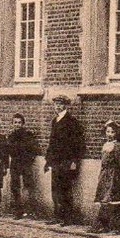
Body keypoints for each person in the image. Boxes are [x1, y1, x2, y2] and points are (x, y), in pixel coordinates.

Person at [44, 95, 85, 225]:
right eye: (56, 104)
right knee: (55, 189)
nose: (58, 106)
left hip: (66, 161)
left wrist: (74, 161)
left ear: (65, 105)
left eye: (60, 104)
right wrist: (48, 161)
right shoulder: (54, 121)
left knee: (65, 189)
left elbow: (77, 144)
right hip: (55, 161)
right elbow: (52, 143)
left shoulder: (71, 121)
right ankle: (57, 216)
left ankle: (67, 217)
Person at [93, 120, 120, 232]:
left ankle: (112, 226)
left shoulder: (117, 146)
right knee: (104, 199)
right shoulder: (105, 145)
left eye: (112, 132)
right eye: (108, 131)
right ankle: (103, 225)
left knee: (111, 199)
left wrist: (114, 172)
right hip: (104, 175)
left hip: (113, 176)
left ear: (116, 133)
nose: (109, 134)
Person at [7, 113, 38, 218]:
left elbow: (33, 150)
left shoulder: (28, 135)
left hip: (25, 164)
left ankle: (30, 211)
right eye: (15, 122)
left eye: (19, 122)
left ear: (23, 124)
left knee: (28, 186)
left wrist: (29, 160)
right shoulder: (11, 136)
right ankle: (18, 211)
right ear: (12, 124)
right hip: (15, 163)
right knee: (15, 187)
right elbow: (9, 151)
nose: (17, 125)